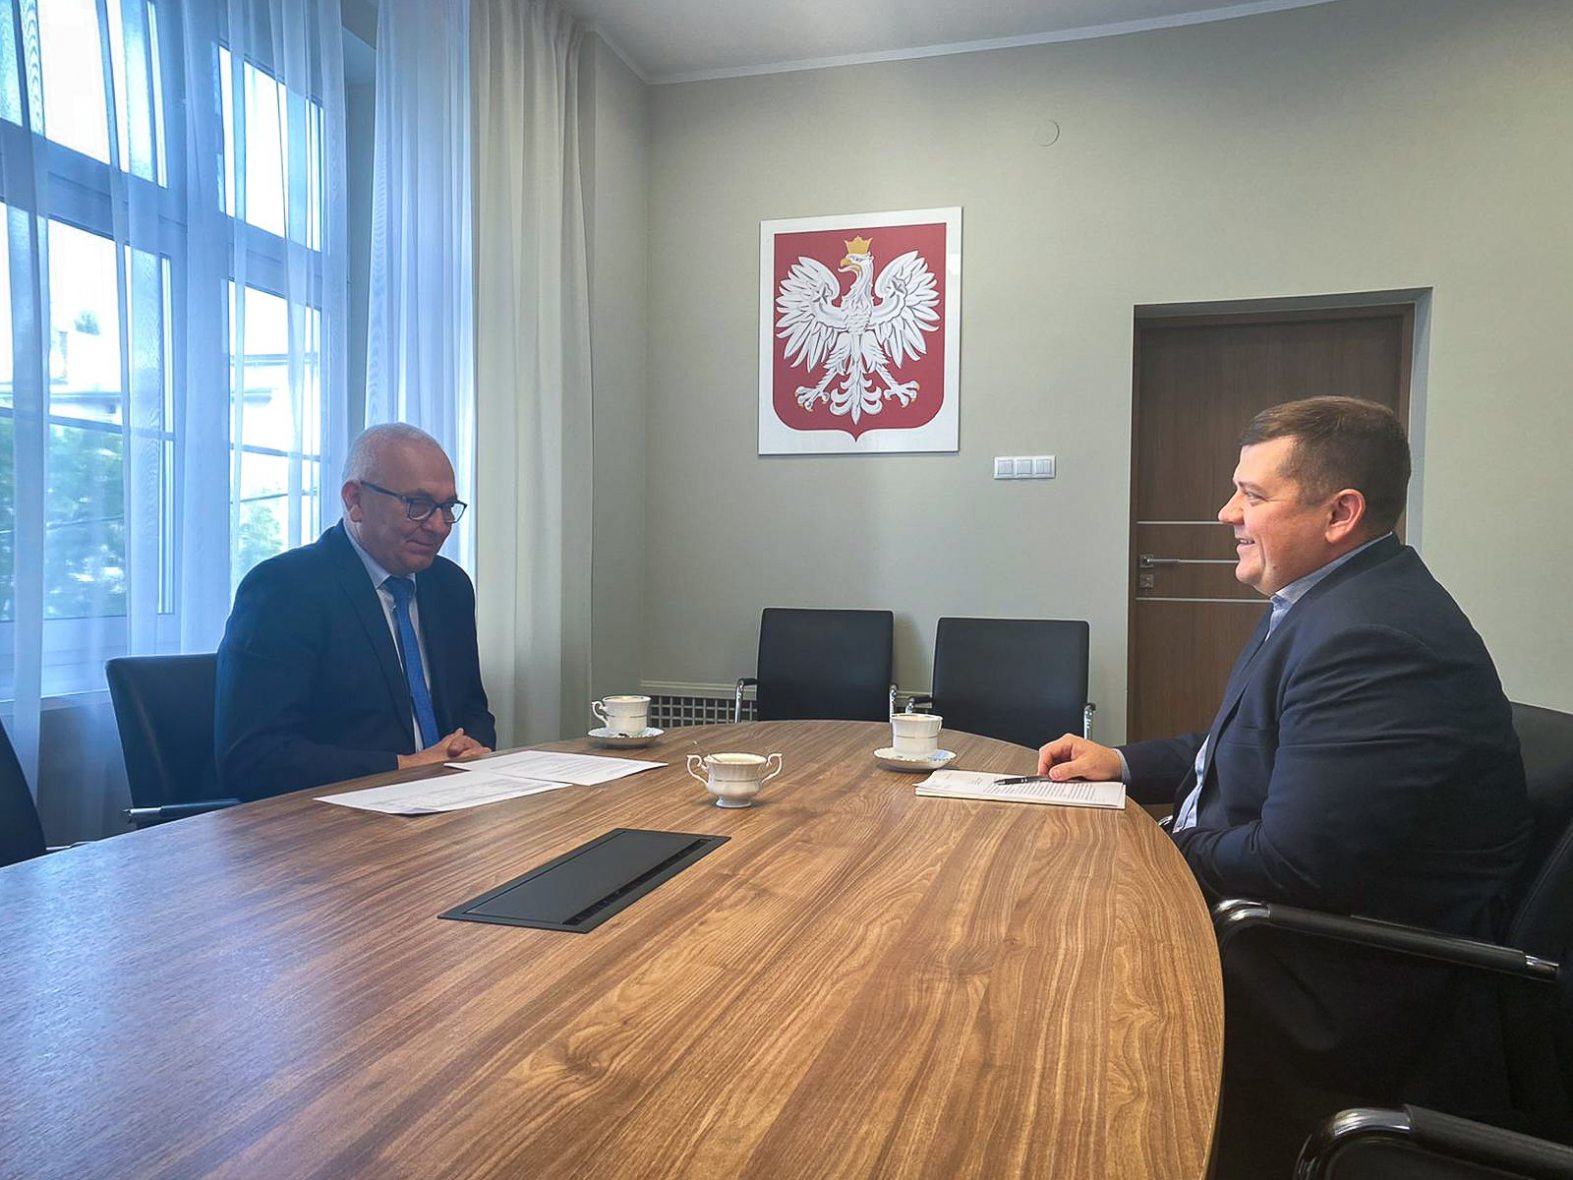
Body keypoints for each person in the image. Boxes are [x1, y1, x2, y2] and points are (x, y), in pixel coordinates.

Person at [1038, 396, 1529, 1177]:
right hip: (1278, 927)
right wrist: (1123, 766)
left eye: (1252, 495)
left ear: (1339, 513)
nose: (1226, 512)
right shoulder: (1329, 601)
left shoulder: (1373, 637)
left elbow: (1293, 863)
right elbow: (1244, 751)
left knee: (1050, 986)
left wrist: (1157, 846)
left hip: (1330, 984)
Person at [216, 423, 496, 801]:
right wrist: (405, 767)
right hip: (332, 820)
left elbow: (473, 710)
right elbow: (254, 758)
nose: (438, 526)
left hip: (452, 802)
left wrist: (467, 746)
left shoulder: (450, 586)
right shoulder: (284, 589)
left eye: (447, 507)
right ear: (355, 501)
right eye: (417, 505)